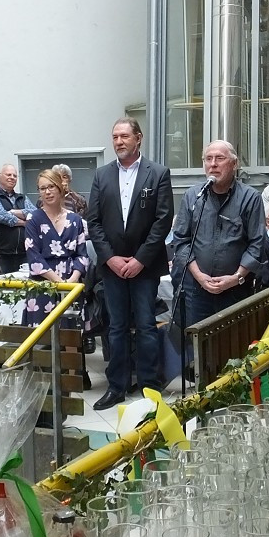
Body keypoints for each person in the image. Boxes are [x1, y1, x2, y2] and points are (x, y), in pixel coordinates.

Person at [87, 118, 174, 410]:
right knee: (116, 327)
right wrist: (110, 258)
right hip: (112, 267)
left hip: (145, 266)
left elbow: (162, 221)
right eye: (115, 136)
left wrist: (139, 260)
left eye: (124, 136)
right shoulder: (101, 175)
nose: (119, 141)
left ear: (138, 139)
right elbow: (94, 222)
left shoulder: (158, 173)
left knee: (147, 326)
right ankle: (117, 387)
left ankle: (149, 386)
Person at [170, 140, 265, 327]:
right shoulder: (193, 196)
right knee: (197, 348)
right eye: (208, 159)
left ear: (234, 164)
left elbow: (257, 244)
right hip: (197, 290)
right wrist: (198, 275)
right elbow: (181, 240)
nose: (213, 164)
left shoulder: (250, 198)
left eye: (220, 158)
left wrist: (236, 277)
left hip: (235, 289)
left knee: (233, 347)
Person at [23, 169, 89, 326]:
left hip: (71, 284)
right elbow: (34, 257)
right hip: (43, 285)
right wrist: (59, 284)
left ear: (60, 188)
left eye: (51, 187)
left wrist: (71, 283)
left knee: (71, 339)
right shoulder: (33, 219)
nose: (47, 192)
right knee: (40, 341)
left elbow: (82, 255)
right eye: (42, 188)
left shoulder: (75, 220)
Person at [0, 163, 36, 275]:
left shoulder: (22, 198)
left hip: (24, 254)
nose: (12, 177)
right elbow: (3, 217)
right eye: (8, 174)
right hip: (1, 255)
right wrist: (25, 222)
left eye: (14, 175)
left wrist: (13, 212)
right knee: (4, 288)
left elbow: (35, 214)